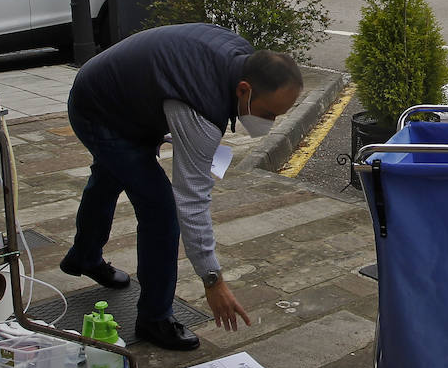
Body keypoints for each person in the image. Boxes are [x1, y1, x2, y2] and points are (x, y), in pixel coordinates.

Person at [63, 23, 303, 350]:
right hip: (98, 108)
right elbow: (190, 200)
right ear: (244, 90)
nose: (270, 122)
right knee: (161, 211)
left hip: (119, 93)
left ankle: (84, 257)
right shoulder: (201, 106)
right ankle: (155, 317)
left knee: (109, 176)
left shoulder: (240, 60)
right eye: (268, 112)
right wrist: (212, 279)